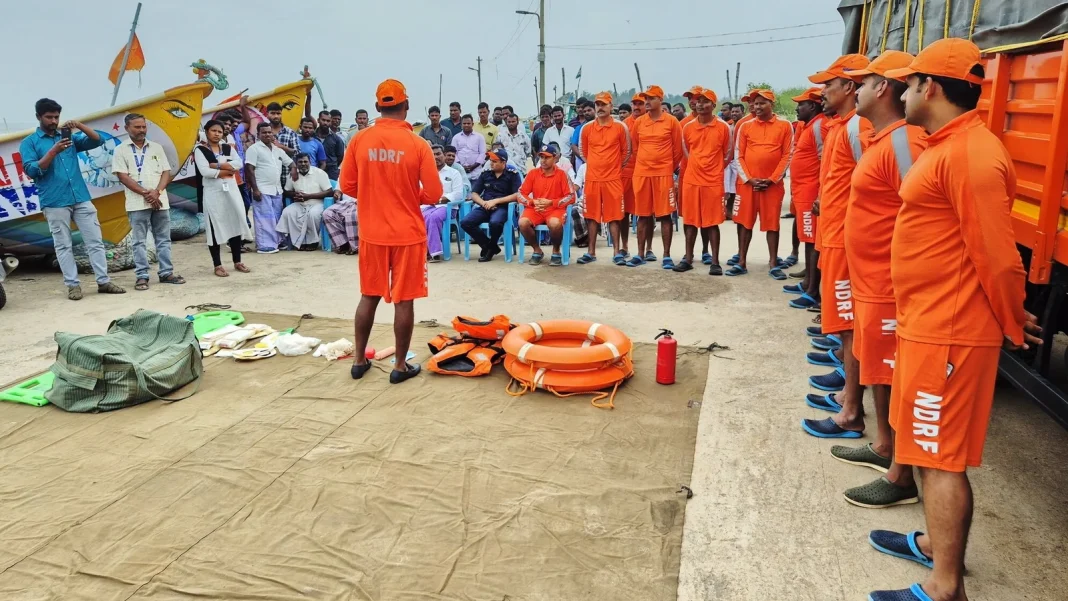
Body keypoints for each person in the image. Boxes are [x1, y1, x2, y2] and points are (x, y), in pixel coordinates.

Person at [860, 38, 1038, 601]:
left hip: (952, 332)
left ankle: (945, 587)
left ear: (928, 87)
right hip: (927, 324)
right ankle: (939, 549)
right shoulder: (946, 146)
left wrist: (1012, 323)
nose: (902, 91)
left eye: (908, 83)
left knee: (940, 458)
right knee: (926, 450)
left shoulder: (971, 154)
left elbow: (998, 255)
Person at [811, 50, 927, 511]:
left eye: (861, 83)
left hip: (886, 280)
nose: (851, 90)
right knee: (878, 367)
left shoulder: (904, 144)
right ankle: (884, 448)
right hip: (869, 277)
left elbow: (918, 215)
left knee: (889, 373)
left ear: (883, 88)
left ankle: (899, 472)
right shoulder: (883, 138)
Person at [339, 79, 443, 384]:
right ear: (406, 106)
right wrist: (411, 195)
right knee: (404, 301)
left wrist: (374, 194)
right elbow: (434, 194)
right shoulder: (418, 144)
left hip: (372, 232)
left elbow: (346, 185)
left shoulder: (359, 140)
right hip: (407, 234)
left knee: (368, 296)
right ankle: (399, 366)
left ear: (376, 108)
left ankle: (359, 361)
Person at [799, 54, 873, 432]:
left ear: (850, 87)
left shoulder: (860, 127)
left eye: (829, 85)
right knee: (844, 320)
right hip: (836, 233)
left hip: (848, 237)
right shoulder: (843, 125)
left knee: (850, 322)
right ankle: (848, 390)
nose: (822, 92)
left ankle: (851, 410)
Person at [19, 98, 124, 299]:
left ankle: (103, 281)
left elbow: (97, 140)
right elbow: (32, 170)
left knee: (95, 240)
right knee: (63, 244)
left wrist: (78, 125)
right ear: (38, 117)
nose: (53, 121)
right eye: (49, 117)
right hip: (54, 200)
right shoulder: (29, 143)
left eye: (56, 117)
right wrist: (53, 151)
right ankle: (73, 285)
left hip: (80, 196)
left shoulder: (69, 137)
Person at [112, 113, 184, 291]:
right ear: (127, 128)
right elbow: (122, 176)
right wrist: (146, 193)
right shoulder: (121, 150)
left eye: (143, 127)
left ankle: (166, 273)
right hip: (137, 203)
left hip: (160, 200)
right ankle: (142, 277)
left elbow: (166, 172)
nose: (141, 130)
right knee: (139, 241)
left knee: (163, 239)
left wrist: (157, 192)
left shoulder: (156, 148)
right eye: (137, 127)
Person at [728, 89, 793, 279]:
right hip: (747, 185)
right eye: (755, 103)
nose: (757, 107)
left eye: (762, 103)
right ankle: (741, 261)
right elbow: (738, 155)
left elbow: (787, 154)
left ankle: (773, 263)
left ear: (772, 104)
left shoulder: (785, 125)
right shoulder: (745, 126)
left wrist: (772, 179)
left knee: (772, 224)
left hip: (772, 186)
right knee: (743, 223)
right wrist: (749, 178)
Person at [782, 88, 831, 309]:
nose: (796, 108)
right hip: (803, 192)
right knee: (807, 238)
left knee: (812, 241)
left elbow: (825, 161)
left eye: (801, 104)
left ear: (812, 106)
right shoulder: (809, 126)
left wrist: (820, 193)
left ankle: (812, 290)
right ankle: (807, 280)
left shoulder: (820, 126)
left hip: (812, 192)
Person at [676, 89, 730, 275]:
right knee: (690, 222)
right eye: (698, 101)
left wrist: (712, 169)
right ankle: (688, 258)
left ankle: (715, 261)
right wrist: (698, 168)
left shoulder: (723, 127)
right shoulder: (687, 127)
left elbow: (727, 155)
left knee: (712, 222)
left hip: (713, 182)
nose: (700, 104)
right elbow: (687, 152)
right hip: (691, 181)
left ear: (714, 105)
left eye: (705, 101)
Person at [628, 85, 683, 268]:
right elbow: (635, 148)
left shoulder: (672, 122)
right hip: (642, 174)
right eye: (646, 99)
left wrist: (665, 167)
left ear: (660, 100)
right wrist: (646, 164)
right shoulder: (639, 122)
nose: (647, 102)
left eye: (651, 98)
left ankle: (666, 255)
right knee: (642, 215)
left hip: (663, 175)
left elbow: (677, 151)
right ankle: (640, 253)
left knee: (665, 215)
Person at [576, 92, 630, 265]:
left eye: (603, 104)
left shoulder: (620, 127)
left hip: (613, 179)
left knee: (614, 217)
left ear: (611, 107)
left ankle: (617, 252)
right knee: (591, 217)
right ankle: (591, 252)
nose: (600, 107)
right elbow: (583, 152)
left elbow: (626, 152)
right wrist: (595, 166)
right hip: (592, 179)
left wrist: (613, 168)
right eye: (597, 104)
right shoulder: (587, 128)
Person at [196, 119, 252, 277]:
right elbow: (205, 171)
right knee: (214, 226)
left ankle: (237, 261)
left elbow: (239, 163)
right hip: (213, 193)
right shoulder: (200, 149)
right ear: (207, 131)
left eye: (219, 132)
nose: (217, 134)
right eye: (213, 131)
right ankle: (218, 265)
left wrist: (217, 165)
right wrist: (227, 170)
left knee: (234, 223)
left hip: (231, 190)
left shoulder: (227, 147)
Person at [517, 143, 576, 266]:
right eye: (541, 157)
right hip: (536, 208)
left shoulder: (562, 174)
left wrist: (551, 203)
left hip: (555, 209)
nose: (543, 161)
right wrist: (533, 201)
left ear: (555, 158)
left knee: (554, 224)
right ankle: (537, 250)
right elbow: (520, 194)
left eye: (547, 157)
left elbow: (571, 197)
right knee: (522, 223)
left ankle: (556, 251)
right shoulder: (532, 173)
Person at [460, 147, 522, 261]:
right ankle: (489, 246)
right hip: (485, 206)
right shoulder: (486, 174)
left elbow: (517, 195)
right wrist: (483, 203)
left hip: (503, 207)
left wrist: (496, 201)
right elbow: (474, 193)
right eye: (490, 161)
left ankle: (489, 250)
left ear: (503, 162)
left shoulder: (512, 174)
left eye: (494, 161)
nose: (491, 163)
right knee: (465, 222)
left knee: (495, 223)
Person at [244, 121, 294, 253]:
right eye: (264, 132)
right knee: (264, 218)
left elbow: (290, 163)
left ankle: (277, 241)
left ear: (273, 134)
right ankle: (265, 246)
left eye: (269, 132)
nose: (267, 134)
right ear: (258, 134)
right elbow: (249, 169)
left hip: (277, 189)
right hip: (261, 189)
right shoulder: (253, 149)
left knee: (276, 217)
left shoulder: (277, 150)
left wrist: (294, 173)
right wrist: (255, 189)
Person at [278, 153, 334, 250]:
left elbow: (329, 192)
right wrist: (295, 195)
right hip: (299, 203)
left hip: (317, 203)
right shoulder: (292, 174)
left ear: (310, 162)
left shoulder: (319, 173)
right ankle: (299, 241)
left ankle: (313, 242)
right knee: (288, 212)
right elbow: (286, 192)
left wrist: (309, 196)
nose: (303, 164)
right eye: (300, 162)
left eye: (305, 161)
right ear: (296, 163)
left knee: (313, 215)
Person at [422, 144, 466, 262]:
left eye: (438, 154)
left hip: (448, 207)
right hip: (428, 206)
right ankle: (424, 250)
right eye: (433, 154)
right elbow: (420, 191)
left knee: (433, 217)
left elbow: (458, 194)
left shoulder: (454, 173)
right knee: (420, 216)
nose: (436, 157)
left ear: (444, 155)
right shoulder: (425, 172)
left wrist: (440, 199)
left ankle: (434, 252)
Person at [618, 93, 647, 258]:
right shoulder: (624, 125)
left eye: (640, 104)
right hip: (626, 173)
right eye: (634, 104)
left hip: (645, 173)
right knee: (624, 212)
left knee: (646, 213)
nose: (636, 107)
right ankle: (624, 246)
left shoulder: (650, 123)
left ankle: (647, 249)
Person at [451, 114, 486, 179]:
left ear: (472, 124)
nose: (466, 125)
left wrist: (473, 166)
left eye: (468, 123)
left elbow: (482, 153)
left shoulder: (479, 137)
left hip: (476, 173)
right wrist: (461, 167)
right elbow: (454, 154)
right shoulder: (456, 137)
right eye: (464, 123)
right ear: (461, 125)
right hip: (460, 172)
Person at [316, 110, 345, 180]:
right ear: (318, 120)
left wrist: (331, 164)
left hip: (331, 173)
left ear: (330, 122)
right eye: (323, 120)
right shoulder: (312, 136)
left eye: (328, 121)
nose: (325, 123)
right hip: (314, 170)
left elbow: (340, 156)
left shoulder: (337, 139)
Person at [569, 98, 595, 166]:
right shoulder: (579, 128)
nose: (586, 113)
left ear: (595, 110)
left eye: (589, 110)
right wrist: (584, 159)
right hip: (583, 163)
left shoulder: (602, 126)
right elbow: (573, 146)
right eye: (585, 111)